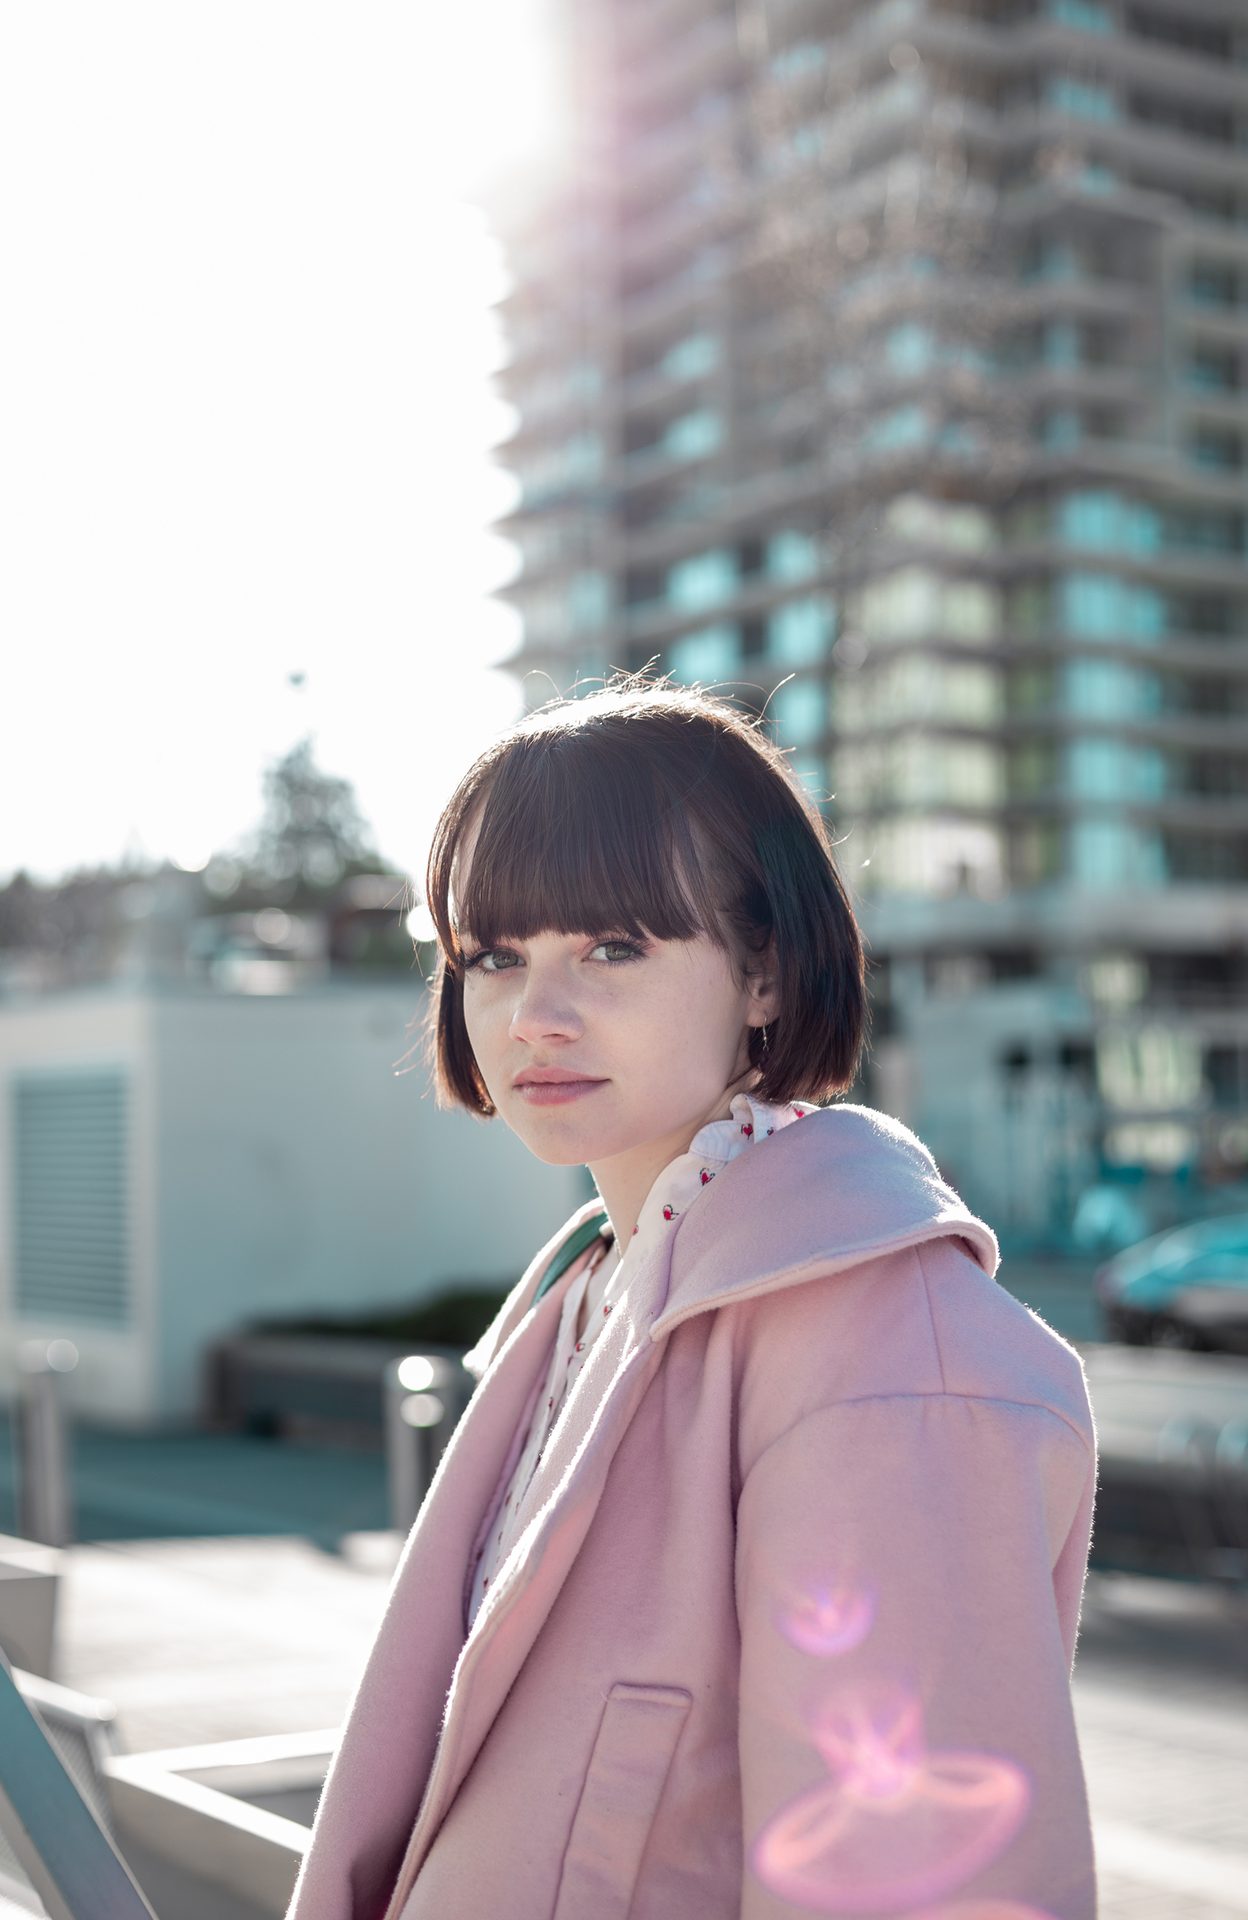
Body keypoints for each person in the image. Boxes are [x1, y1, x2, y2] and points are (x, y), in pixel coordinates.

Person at [284, 673, 1098, 1920]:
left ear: (763, 972)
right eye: (494, 956)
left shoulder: (889, 1358)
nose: (535, 1015)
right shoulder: (587, 1298)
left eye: (613, 947)